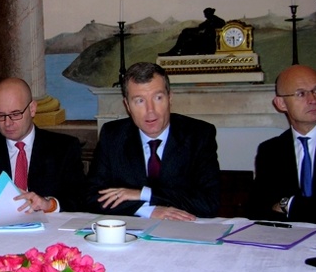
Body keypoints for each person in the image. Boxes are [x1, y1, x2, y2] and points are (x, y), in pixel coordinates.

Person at [86, 62, 220, 220]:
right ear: (127, 105)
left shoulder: (199, 135)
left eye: (158, 98)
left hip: (183, 232)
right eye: (139, 101)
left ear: (170, 98)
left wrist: (144, 194)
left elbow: (209, 203)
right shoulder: (113, 135)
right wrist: (148, 210)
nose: (150, 110)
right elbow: (92, 197)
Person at [0, 78, 86, 214]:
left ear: (32, 109)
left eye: (15, 114)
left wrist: (49, 204)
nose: (7, 123)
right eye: (0, 115)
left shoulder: (64, 148)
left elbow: (79, 199)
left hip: (49, 231)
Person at [248, 65, 316, 226]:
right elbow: (257, 211)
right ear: (281, 104)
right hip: (289, 241)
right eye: (301, 94)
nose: (313, 100)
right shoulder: (270, 150)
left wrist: (288, 204)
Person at [158, 7, 225, 56]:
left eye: (205, 14)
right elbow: (200, 27)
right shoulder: (210, 19)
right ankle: (175, 49)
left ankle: (175, 50)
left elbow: (219, 28)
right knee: (186, 31)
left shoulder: (216, 20)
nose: (204, 15)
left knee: (186, 33)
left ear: (208, 13)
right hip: (204, 36)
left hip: (207, 38)